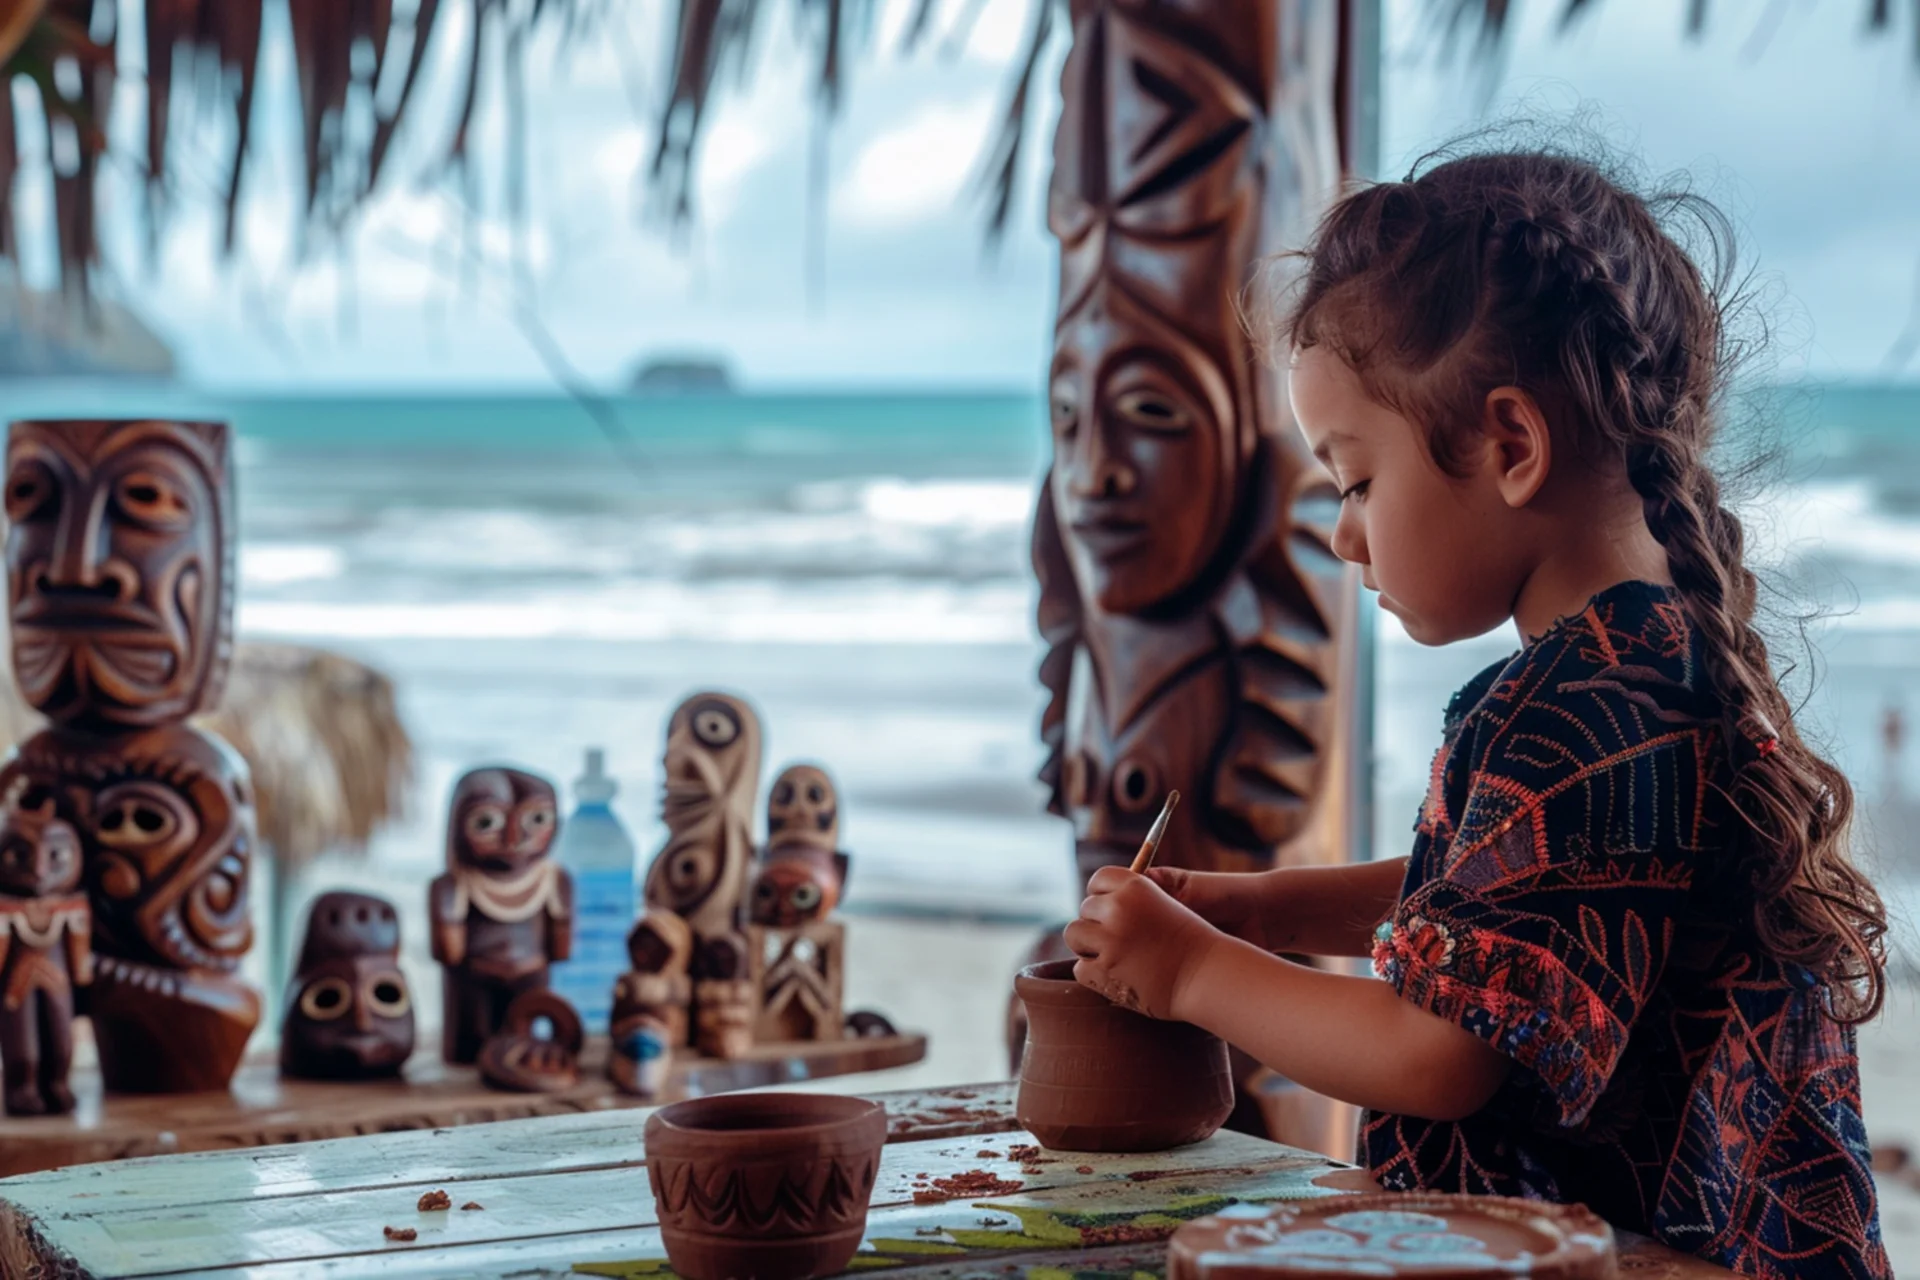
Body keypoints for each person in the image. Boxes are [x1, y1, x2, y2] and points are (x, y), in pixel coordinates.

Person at [1063, 145, 1891, 1279]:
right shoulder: (1655, 667)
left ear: (1511, 445)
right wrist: (1256, 910)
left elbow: (1436, 1054)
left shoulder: (1574, 716)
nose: (1342, 534)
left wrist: (1191, 972)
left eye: (1357, 481)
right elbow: (1502, 899)